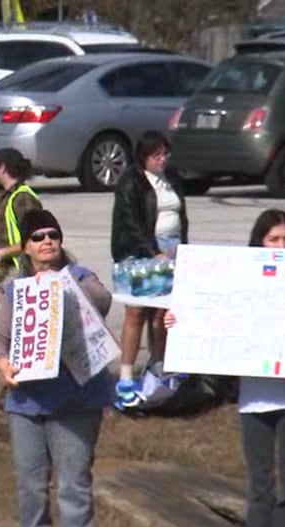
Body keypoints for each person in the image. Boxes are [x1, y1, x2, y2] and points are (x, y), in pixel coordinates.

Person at [165, 209, 285, 527]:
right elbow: (211, 316)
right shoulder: (241, 282)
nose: (282, 246)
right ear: (260, 244)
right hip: (255, 400)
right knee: (260, 486)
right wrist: (180, 321)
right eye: (274, 240)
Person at [0, 210, 113, 527]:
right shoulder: (17, 289)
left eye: (52, 235)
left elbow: (102, 300)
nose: (46, 241)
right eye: (38, 236)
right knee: (30, 479)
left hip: (76, 399)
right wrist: (2, 364)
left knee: (73, 479)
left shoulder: (80, 277)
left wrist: (60, 286)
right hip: (27, 399)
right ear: (25, 247)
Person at [110, 131, 188, 409]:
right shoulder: (131, 182)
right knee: (136, 312)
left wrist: (183, 250)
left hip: (173, 249)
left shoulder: (172, 179)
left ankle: (158, 367)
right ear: (143, 156)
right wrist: (152, 251)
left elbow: (181, 216)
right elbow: (130, 222)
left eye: (166, 154)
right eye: (157, 155)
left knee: (162, 314)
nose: (163, 159)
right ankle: (126, 376)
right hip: (139, 253)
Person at [0, 148, 43, 306]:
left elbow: (36, 238)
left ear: (2, 167)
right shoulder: (6, 199)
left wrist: (1, 254)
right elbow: (0, 241)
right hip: (7, 277)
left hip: (23, 276)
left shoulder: (23, 198)